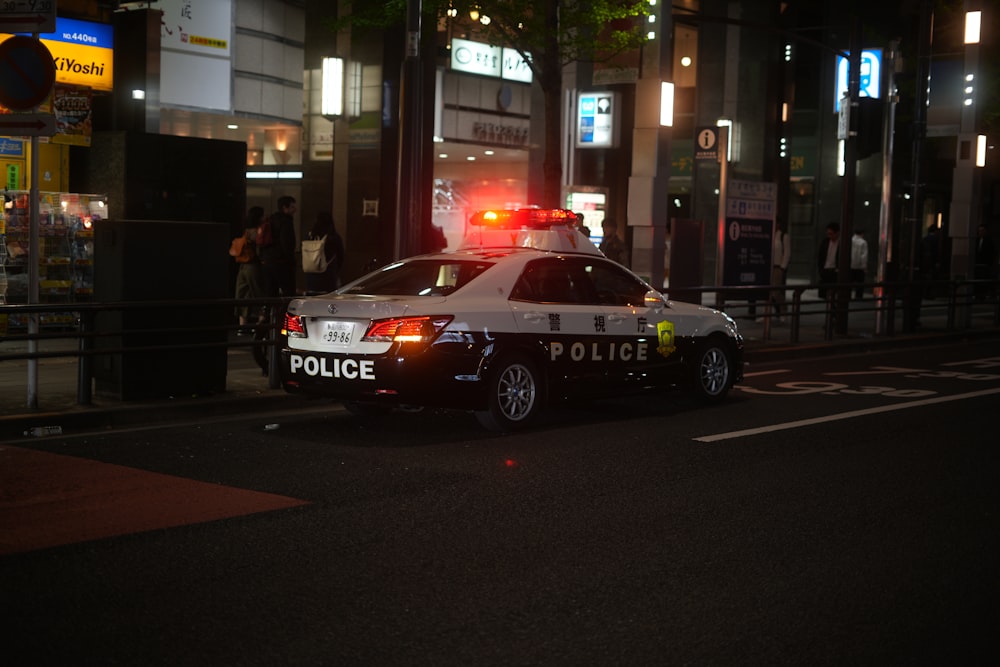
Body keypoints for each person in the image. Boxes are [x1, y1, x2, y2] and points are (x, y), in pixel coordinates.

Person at [234, 206, 269, 334]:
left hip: (242, 264)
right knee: (258, 293)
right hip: (254, 265)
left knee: (241, 294)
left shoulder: (245, 231)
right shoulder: (258, 231)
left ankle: (242, 325)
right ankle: (260, 323)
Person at [259, 195, 298, 297]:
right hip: (281, 263)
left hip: (267, 261)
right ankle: (286, 313)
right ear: (285, 208)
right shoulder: (286, 222)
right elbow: (287, 244)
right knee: (289, 292)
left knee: (270, 292)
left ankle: (267, 312)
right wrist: (292, 261)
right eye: (292, 207)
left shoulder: (270, 220)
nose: (295, 210)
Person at [304, 210, 345, 294]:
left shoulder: (310, 235)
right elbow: (341, 255)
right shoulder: (334, 237)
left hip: (312, 272)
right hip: (328, 273)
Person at [768, 219, 791, 321]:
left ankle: (783, 311)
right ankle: (769, 313)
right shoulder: (768, 234)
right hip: (769, 267)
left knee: (776, 291)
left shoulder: (783, 236)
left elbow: (787, 252)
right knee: (768, 292)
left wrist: (782, 267)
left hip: (778, 267)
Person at [816, 221, 840, 299]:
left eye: (831, 234)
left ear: (837, 233)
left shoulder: (841, 243)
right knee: (824, 295)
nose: (829, 236)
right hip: (825, 270)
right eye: (828, 234)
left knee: (834, 294)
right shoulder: (825, 242)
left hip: (835, 271)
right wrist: (821, 270)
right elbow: (820, 256)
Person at [974, 224, 997, 300]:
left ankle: (983, 295)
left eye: (982, 230)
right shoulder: (975, 240)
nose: (980, 232)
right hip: (977, 264)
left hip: (985, 264)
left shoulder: (989, 241)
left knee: (984, 281)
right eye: (979, 231)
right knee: (977, 280)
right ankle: (977, 295)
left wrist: (989, 264)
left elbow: (991, 253)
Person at [850, 228, 869, 299]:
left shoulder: (850, 240)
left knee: (849, 283)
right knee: (860, 283)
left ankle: (847, 295)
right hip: (859, 267)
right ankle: (858, 297)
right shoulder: (863, 242)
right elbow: (864, 256)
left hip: (850, 266)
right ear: (862, 233)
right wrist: (864, 266)